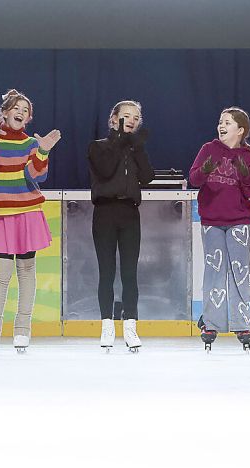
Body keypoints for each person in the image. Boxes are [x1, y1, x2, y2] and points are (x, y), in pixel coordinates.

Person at [0, 89, 60, 352]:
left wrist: (42, 151)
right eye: (16, 108)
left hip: (28, 213)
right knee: (1, 275)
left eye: (25, 110)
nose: (20, 112)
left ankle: (22, 328)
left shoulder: (31, 143)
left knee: (27, 271)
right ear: (5, 113)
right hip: (2, 216)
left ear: (29, 117)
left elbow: (37, 176)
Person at [189, 107, 250, 352]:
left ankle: (243, 323)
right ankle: (210, 322)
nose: (221, 125)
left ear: (240, 130)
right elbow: (194, 179)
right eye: (220, 121)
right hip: (211, 221)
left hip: (239, 222)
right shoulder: (208, 149)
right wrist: (207, 167)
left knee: (239, 272)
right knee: (214, 272)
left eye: (227, 122)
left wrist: (244, 174)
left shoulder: (248, 158)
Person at [87, 100, 154, 352]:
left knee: (129, 273)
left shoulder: (134, 149)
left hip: (129, 213)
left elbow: (147, 177)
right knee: (107, 272)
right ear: (113, 119)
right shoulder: (99, 147)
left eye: (137, 117)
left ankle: (130, 325)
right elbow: (104, 171)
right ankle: (106, 325)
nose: (133, 121)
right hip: (104, 212)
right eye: (127, 116)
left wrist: (136, 149)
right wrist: (118, 141)